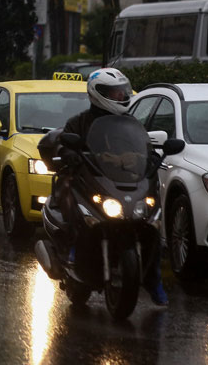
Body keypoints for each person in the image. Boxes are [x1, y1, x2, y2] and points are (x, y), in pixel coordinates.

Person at [56, 67, 169, 306]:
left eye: (122, 92)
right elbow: (64, 144)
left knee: (152, 227)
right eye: (115, 93)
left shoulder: (131, 125)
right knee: (73, 204)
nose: (121, 97)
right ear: (98, 93)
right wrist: (69, 153)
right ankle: (73, 250)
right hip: (90, 181)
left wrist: (151, 157)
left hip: (123, 183)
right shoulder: (79, 122)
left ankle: (153, 279)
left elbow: (144, 147)